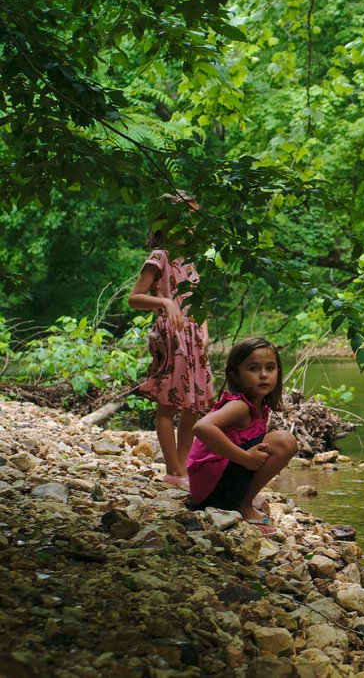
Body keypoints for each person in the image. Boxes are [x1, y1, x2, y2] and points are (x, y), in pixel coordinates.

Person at [127, 192, 215, 488]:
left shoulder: (190, 262)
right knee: (168, 404)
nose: (190, 226)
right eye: (185, 218)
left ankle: (183, 468)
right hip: (172, 337)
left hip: (194, 339)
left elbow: (197, 301)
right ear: (167, 220)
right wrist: (164, 303)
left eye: (193, 219)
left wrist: (204, 330)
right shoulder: (160, 257)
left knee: (193, 406)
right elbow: (134, 298)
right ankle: (174, 471)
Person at [187, 337, 297, 532]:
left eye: (270, 368)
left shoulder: (258, 405)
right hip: (212, 489)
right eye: (253, 368)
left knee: (277, 441)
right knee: (284, 441)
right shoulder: (239, 406)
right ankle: (242, 505)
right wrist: (245, 458)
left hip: (214, 485)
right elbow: (201, 427)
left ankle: (241, 501)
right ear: (236, 376)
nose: (263, 375)